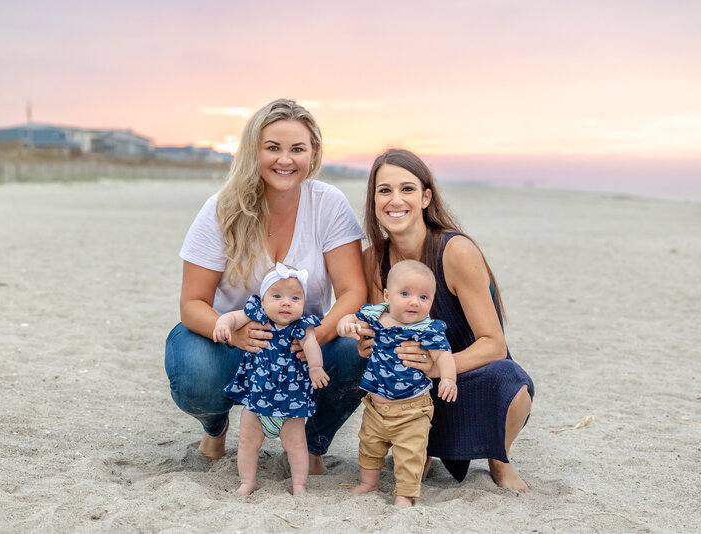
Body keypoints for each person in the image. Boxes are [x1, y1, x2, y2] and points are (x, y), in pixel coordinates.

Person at [164, 99, 367, 478]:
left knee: (359, 347)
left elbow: (353, 290)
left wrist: (318, 335)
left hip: (303, 345)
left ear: (314, 153)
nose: (284, 160)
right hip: (233, 342)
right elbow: (192, 303)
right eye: (272, 147)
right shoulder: (222, 208)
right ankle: (216, 427)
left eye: (297, 149)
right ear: (253, 151)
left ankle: (311, 444)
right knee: (193, 369)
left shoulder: (328, 204)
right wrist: (232, 331)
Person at [358, 148, 534, 492]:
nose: (396, 200)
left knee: (512, 380)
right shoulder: (371, 259)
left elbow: (494, 345)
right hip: (408, 394)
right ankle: (420, 449)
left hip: (464, 379)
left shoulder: (455, 251)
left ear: (426, 197)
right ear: (374, 200)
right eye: (385, 190)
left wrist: (437, 366)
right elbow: (376, 327)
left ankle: (500, 458)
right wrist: (366, 343)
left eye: (407, 189)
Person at [337, 259, 457, 506]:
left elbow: (443, 355)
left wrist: (448, 378)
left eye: (424, 297)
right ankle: (368, 483)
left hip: (412, 410)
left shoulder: (427, 329)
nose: (415, 302)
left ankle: (404, 494)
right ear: (387, 295)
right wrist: (345, 324)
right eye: (405, 294)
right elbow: (349, 318)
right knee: (369, 446)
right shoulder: (375, 315)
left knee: (410, 455)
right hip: (375, 406)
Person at [214, 263, 329, 496]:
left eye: (295, 298)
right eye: (277, 296)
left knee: (297, 446)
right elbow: (232, 318)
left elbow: (311, 345)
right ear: (263, 300)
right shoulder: (255, 314)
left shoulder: (302, 326)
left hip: (291, 404)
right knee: (248, 444)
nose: (286, 302)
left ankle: (299, 485)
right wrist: (223, 325)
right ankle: (247, 481)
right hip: (257, 402)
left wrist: (315, 367)